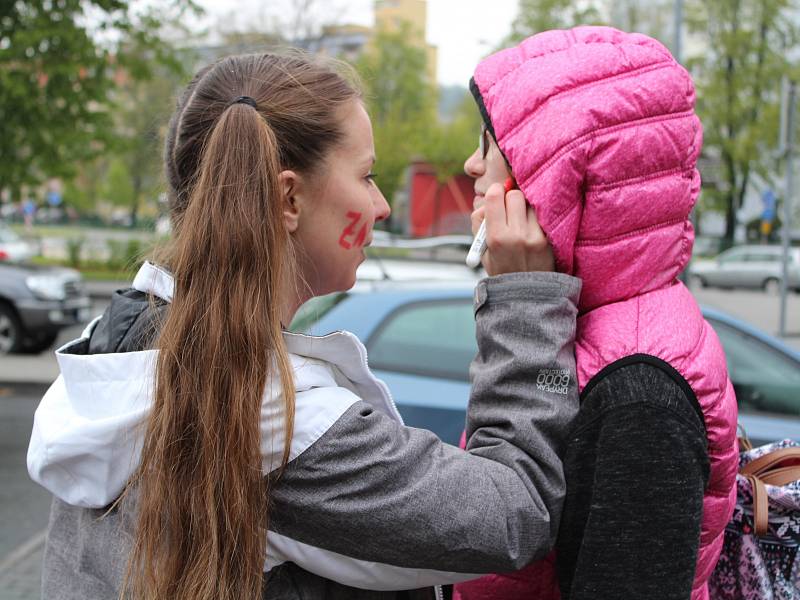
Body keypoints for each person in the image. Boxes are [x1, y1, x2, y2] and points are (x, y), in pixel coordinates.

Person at [27, 52, 582, 600]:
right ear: (288, 198)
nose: (382, 205)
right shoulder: (274, 420)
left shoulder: (120, 340)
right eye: (366, 176)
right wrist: (524, 302)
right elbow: (515, 513)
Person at [455, 26, 738, 600]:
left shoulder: (639, 392)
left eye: (488, 144)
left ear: (550, 183)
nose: (468, 165)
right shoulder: (596, 328)